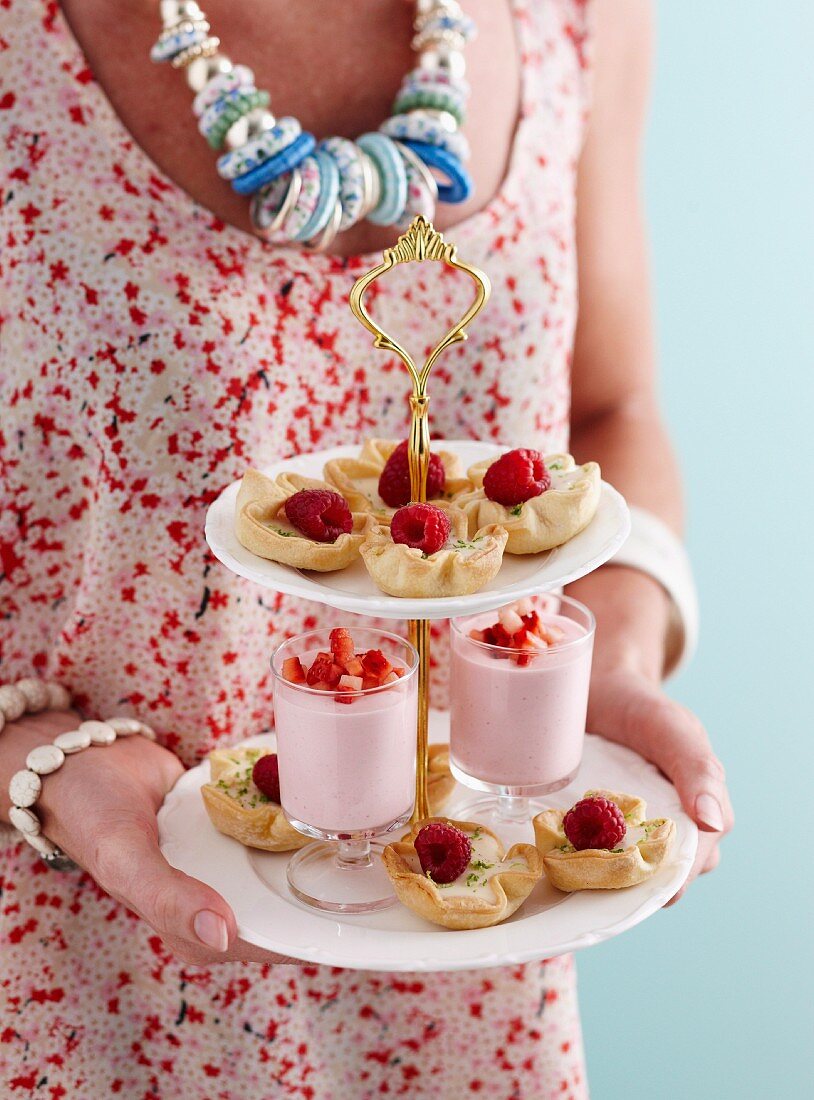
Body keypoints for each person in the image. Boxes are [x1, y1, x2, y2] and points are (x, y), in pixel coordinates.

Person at [0, 1, 733, 1096]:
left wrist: (607, 656)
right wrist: (34, 757)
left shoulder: (580, 12)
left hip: (467, 999)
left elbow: (611, 410)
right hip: (65, 960)